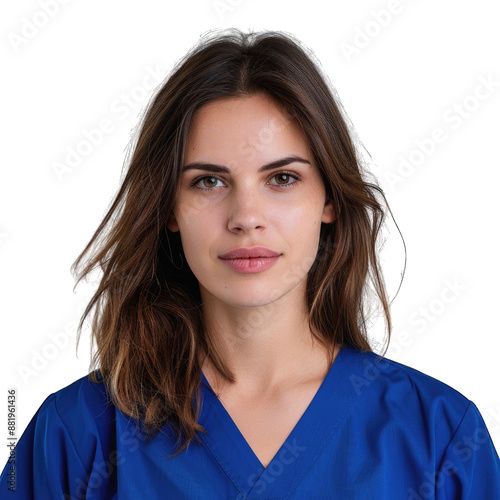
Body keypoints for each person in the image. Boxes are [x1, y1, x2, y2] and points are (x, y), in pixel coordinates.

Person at [1, 28, 499, 500]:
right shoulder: (77, 434)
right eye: (208, 182)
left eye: (281, 178)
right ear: (169, 209)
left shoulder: (440, 439)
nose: (246, 217)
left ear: (328, 199)